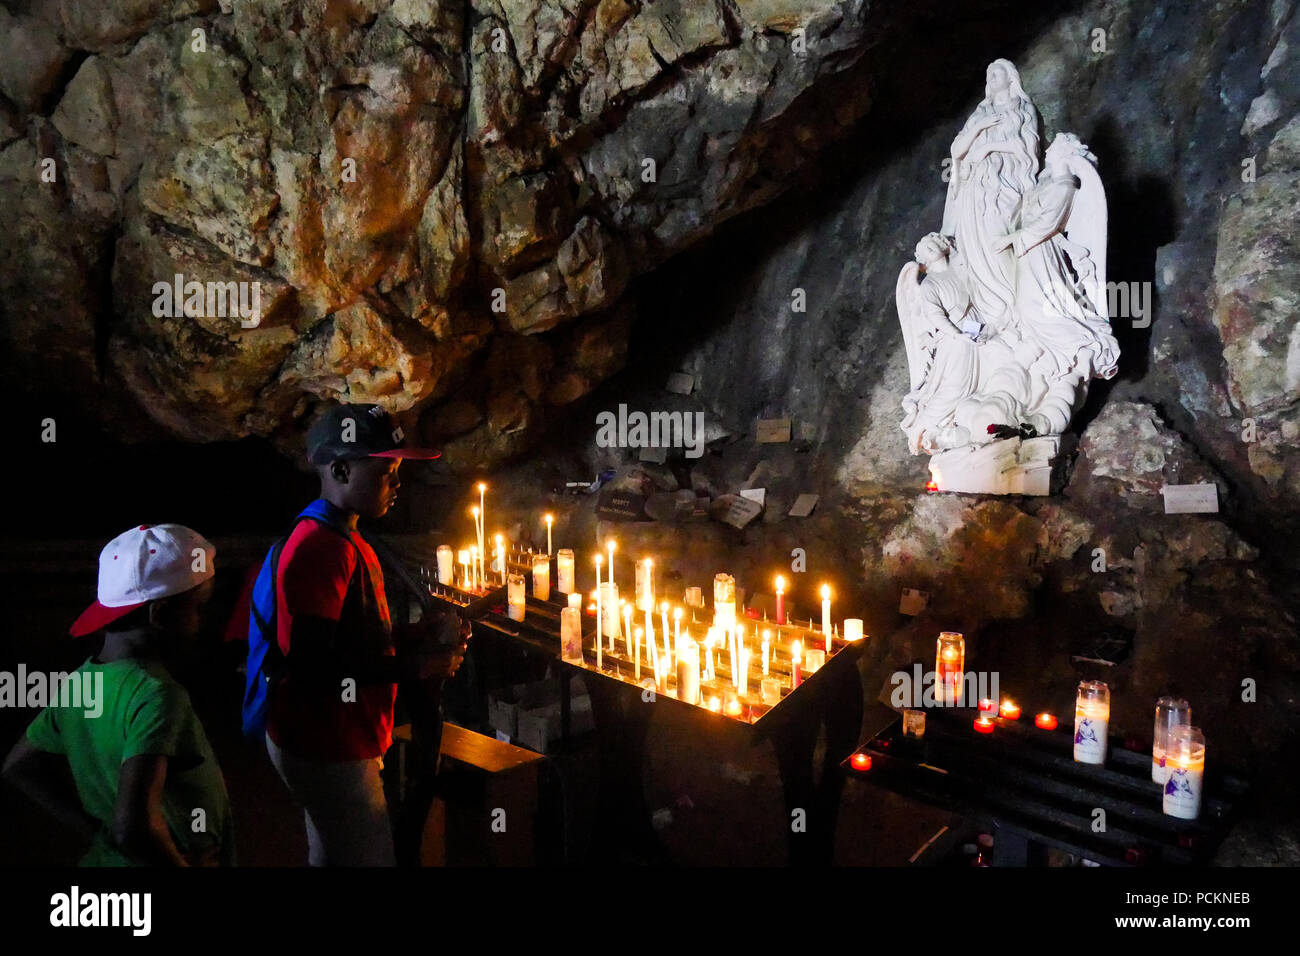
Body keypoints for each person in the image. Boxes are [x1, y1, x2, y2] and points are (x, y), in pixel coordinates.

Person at [264, 402, 468, 867]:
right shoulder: (321, 549)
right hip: (328, 745)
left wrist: (416, 636)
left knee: (333, 855)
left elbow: (350, 639)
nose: (397, 484)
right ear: (339, 469)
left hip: (331, 738)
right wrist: (420, 666)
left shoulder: (343, 536)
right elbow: (315, 664)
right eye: (385, 472)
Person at [2, 524, 234, 866]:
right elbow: (133, 828)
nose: (202, 620)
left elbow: (17, 766)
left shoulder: (81, 684)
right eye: (197, 607)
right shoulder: (158, 696)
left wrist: (97, 830)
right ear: (161, 613)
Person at [942, 58, 1042, 329]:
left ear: (1011, 78)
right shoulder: (981, 112)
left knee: (1000, 240)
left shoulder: (1023, 108)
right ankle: (993, 314)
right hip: (976, 189)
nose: (991, 77)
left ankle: (1017, 309)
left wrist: (988, 148)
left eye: (997, 73)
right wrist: (978, 129)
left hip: (1007, 185)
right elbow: (957, 151)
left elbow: (1028, 149)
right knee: (974, 247)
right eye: (988, 74)